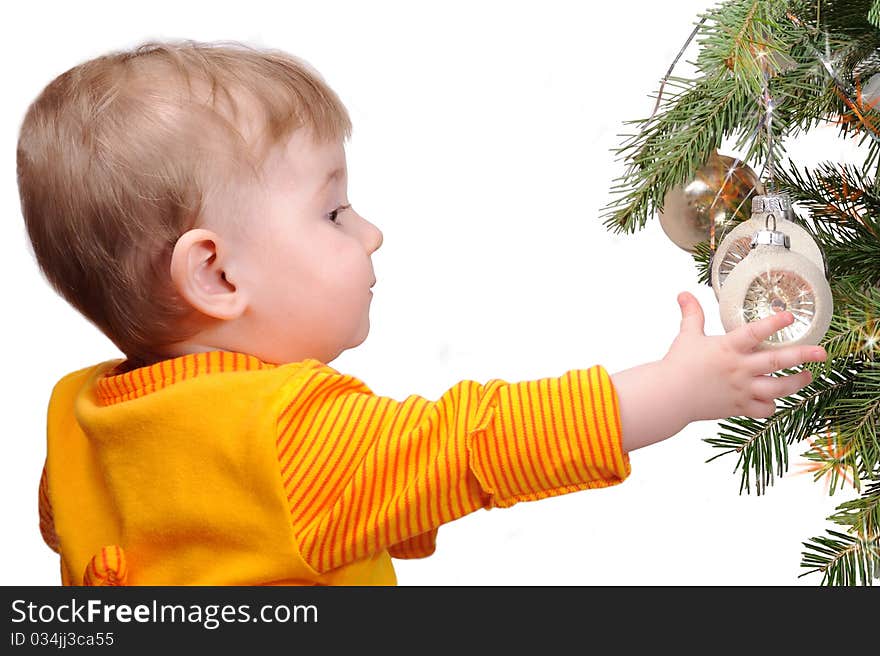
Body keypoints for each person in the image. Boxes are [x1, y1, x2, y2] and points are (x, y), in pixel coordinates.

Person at [18, 40, 827, 586]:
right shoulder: (286, 444)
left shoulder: (80, 416)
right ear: (216, 273)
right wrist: (680, 390)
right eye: (332, 213)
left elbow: (72, 528)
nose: (371, 232)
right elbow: (482, 441)